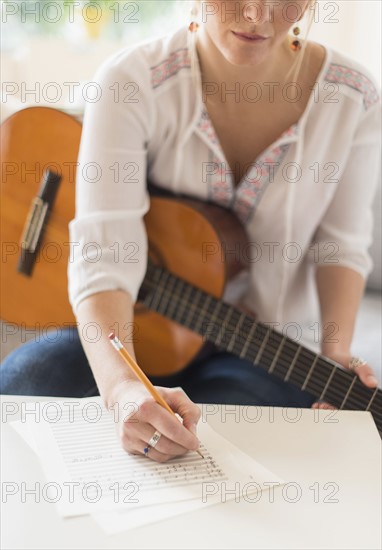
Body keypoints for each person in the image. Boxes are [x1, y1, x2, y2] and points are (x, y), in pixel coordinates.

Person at [1, 0, 381, 462]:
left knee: (224, 451)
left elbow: (340, 246)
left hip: (261, 347)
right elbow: (103, 256)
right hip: (126, 328)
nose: (258, 15)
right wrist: (122, 389)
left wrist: (335, 354)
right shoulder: (130, 80)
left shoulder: (354, 97)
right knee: (27, 384)